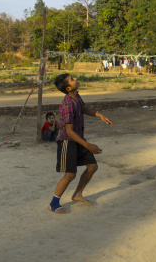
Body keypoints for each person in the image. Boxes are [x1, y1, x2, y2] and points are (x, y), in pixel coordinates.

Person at [48, 73, 113, 214]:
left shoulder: (76, 96)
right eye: (72, 80)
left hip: (79, 139)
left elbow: (83, 108)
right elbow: (69, 131)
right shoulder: (67, 104)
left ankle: (77, 194)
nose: (76, 79)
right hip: (68, 142)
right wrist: (88, 145)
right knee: (70, 175)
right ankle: (53, 203)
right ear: (68, 89)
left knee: (92, 166)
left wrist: (98, 115)